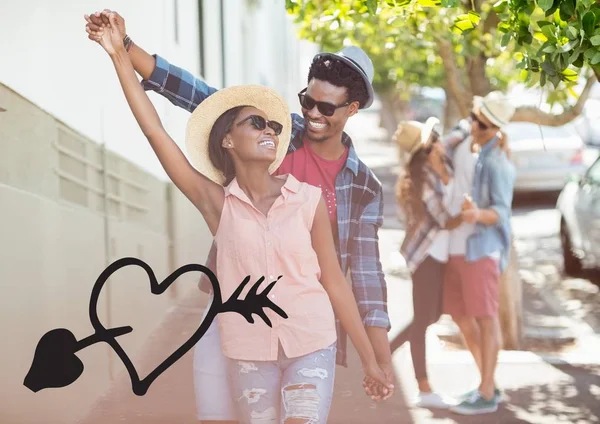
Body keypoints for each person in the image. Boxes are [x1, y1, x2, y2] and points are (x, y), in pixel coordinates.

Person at [85, 10, 395, 423]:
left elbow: (361, 278)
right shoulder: (263, 154)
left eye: (326, 106)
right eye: (307, 101)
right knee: (218, 410)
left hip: (307, 323)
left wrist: (376, 357)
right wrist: (123, 51)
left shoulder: (350, 188)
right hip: (236, 312)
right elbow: (191, 104)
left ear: (351, 108)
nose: (312, 114)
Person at [442, 92, 516, 415]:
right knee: (461, 315)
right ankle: (488, 383)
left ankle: (486, 391)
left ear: (492, 129)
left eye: (479, 122)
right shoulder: (480, 150)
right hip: (463, 249)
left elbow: (501, 211)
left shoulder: (497, 161)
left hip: (481, 250)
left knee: (486, 320)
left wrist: (476, 214)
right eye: (473, 118)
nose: (472, 125)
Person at [391, 118, 462, 409]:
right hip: (425, 257)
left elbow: (458, 137)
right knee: (423, 319)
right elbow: (444, 219)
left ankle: (385, 351)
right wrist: (472, 215)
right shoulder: (421, 176)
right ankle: (423, 387)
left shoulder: (435, 167)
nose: (441, 139)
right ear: (427, 146)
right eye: (436, 137)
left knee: (433, 315)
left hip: (437, 254)